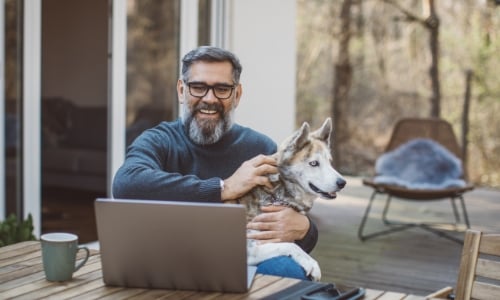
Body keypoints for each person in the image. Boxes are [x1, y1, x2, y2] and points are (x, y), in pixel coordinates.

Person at [112, 46, 318, 280]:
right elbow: (126, 184)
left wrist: (305, 228)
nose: (209, 99)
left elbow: (288, 220)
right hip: (170, 259)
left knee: (288, 272)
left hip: (241, 260)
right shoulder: (159, 140)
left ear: (237, 95)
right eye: (198, 87)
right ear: (182, 91)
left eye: (222, 89)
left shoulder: (262, 149)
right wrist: (224, 187)